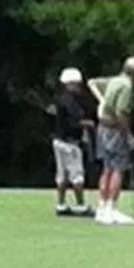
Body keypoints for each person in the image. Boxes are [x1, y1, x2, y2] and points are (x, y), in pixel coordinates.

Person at [88, 56, 134, 226]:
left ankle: (102, 208)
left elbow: (92, 83)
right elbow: (121, 114)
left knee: (107, 169)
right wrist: (128, 135)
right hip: (114, 130)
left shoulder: (114, 81)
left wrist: (102, 103)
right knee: (118, 170)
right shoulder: (126, 87)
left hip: (103, 128)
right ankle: (111, 209)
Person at [48, 69, 94, 219]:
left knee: (62, 175)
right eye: (76, 84)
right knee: (77, 175)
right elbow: (74, 121)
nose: (79, 87)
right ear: (70, 84)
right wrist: (89, 124)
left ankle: (61, 204)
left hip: (58, 141)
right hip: (70, 143)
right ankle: (80, 205)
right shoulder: (70, 101)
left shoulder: (60, 99)